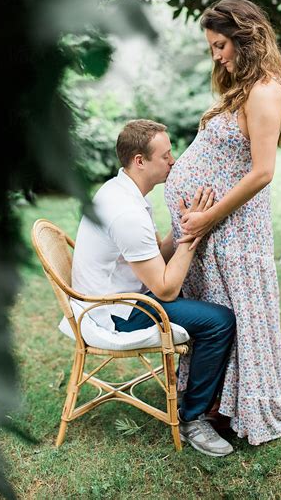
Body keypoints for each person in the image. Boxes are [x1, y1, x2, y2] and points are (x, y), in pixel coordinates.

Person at [164, 0, 281, 446]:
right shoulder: (242, 89)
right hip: (211, 233)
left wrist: (208, 217)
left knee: (237, 318)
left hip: (233, 231)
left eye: (221, 44)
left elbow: (262, 171)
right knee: (218, 316)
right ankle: (212, 404)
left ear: (246, 37)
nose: (217, 55)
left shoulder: (266, 91)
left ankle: (234, 406)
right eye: (212, 47)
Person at [71, 119, 237, 457]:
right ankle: (193, 418)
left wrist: (183, 224)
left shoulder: (119, 191)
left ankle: (217, 395)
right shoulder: (126, 213)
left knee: (203, 301)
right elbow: (165, 289)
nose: (173, 161)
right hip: (116, 314)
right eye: (165, 156)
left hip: (119, 297)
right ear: (139, 161)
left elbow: (153, 259)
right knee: (220, 321)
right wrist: (193, 234)